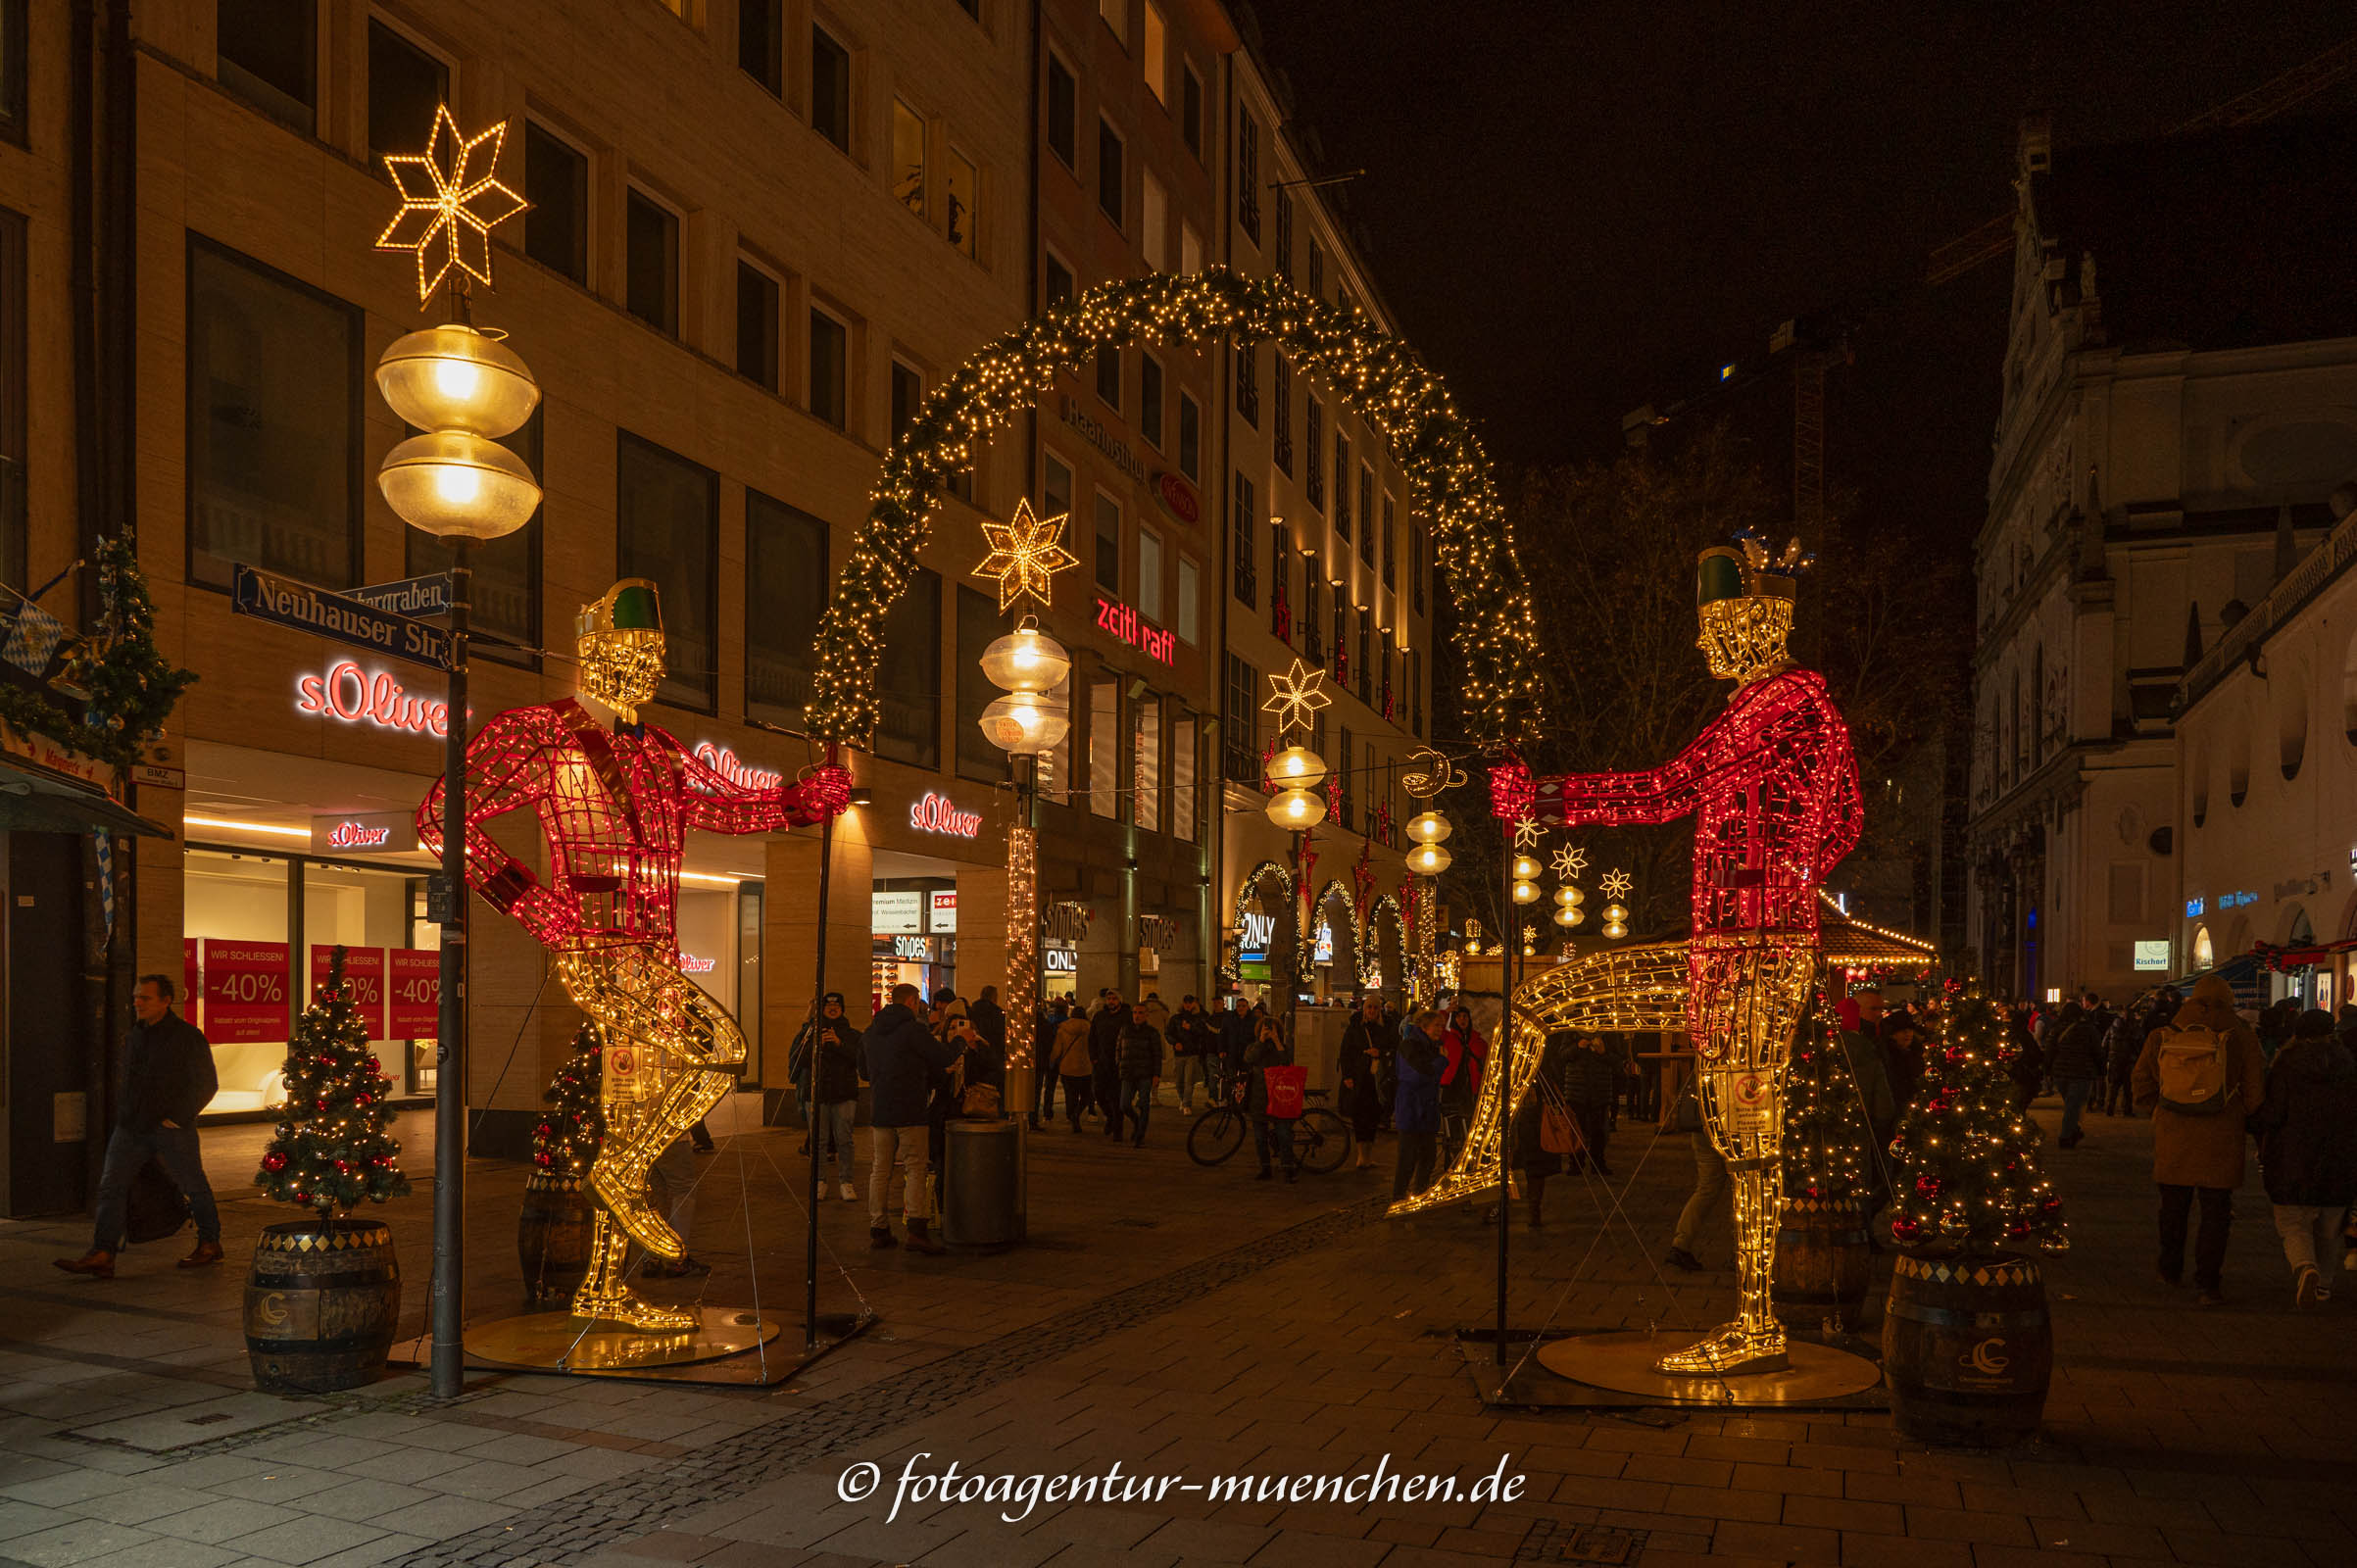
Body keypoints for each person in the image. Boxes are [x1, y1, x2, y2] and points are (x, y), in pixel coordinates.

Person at [56, 975, 222, 1279]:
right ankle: (103, 1252)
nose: (137, 1003)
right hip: (131, 1126)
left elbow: (206, 1083)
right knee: (111, 1186)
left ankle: (210, 1241)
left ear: (165, 1001)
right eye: (136, 996)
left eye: (145, 998)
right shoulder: (135, 1034)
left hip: (170, 1127)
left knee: (192, 1185)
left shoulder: (187, 1037)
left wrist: (180, 1117)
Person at [2132, 974, 2266, 1305]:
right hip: (2222, 1134)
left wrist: (2159, 1111)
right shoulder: (2243, 1037)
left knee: (2173, 1207)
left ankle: (2169, 1269)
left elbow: (2140, 1081)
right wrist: (2235, 1112)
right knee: (2216, 1212)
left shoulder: (2163, 1035)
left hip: (2173, 1133)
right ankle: (2208, 1282)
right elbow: (2256, 1091)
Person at [2250, 1007, 2357, 1306]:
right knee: (2329, 1229)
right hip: (2340, 1159)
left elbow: (2272, 1113)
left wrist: (2251, 1125)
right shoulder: (2348, 1064)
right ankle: (2323, 1285)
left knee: (2293, 1223)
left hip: (2292, 1157)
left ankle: (2304, 1266)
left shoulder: (2286, 1064)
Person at [859, 983, 958, 1254]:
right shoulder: (914, 1031)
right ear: (913, 1001)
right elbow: (942, 1057)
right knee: (915, 1167)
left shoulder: (870, 1032)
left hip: (880, 1109)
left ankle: (878, 1228)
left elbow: (864, 1072)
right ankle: (916, 1230)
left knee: (880, 1169)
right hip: (911, 1109)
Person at [1664, 1073, 1726, 1273]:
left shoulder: (1704, 1051)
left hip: (1703, 1123)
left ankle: (1681, 1244)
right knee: (1743, 1187)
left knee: (1707, 1188)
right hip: (1731, 1121)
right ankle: (1740, 1250)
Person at [807, 993, 861, 1201]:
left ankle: (846, 1182)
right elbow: (801, 1060)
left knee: (844, 1140)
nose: (832, 1008)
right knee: (818, 1142)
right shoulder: (811, 1033)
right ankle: (819, 1181)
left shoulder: (852, 1034)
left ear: (842, 1008)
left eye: (836, 1005)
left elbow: (858, 1059)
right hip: (818, 1095)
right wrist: (816, 1044)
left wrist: (839, 1044)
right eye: (828, 1005)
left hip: (844, 1094)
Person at [1337, 994, 1389, 1172]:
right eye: (1369, 1007)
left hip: (1376, 1079)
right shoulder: (1355, 1028)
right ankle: (1361, 1155)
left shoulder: (1385, 1028)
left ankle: (1369, 1155)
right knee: (1360, 1116)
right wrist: (1347, 1076)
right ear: (1364, 1009)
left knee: (1373, 1116)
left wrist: (1379, 1052)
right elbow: (1345, 1052)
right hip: (1359, 1077)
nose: (1372, 1011)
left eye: (1375, 1008)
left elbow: (1392, 1048)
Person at [1245, 1015, 1299, 1182]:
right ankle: (1265, 1168)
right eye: (1265, 1029)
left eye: (1271, 1029)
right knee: (1260, 1136)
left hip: (1279, 1095)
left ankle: (1287, 1168)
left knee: (1283, 1133)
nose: (1268, 1032)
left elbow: (1287, 1061)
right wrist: (1261, 1041)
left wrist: (1276, 1041)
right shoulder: (1254, 1046)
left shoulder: (1282, 1046)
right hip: (1259, 1096)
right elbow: (1249, 1059)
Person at [2045, 1001, 2104, 1149]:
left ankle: (2073, 1131)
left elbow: (2050, 1051)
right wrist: (2101, 1071)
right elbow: (2098, 1051)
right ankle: (2065, 1137)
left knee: (2071, 1104)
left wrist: (2047, 1070)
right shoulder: (2089, 1029)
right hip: (2082, 1072)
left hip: (2060, 1072)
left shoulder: (2057, 1029)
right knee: (2073, 1106)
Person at [1438, 1005, 1487, 1163]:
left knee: (1470, 1121)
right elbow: (1436, 1024)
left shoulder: (1478, 1041)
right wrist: (1446, 1011)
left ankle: (1469, 1154)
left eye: (1465, 1016)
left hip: (1470, 1087)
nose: (1462, 1020)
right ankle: (1455, 1154)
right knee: (1453, 1123)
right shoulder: (1448, 1037)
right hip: (1451, 1086)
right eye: (1458, 1017)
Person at [1116, 1005, 1163, 1146]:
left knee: (1143, 1104)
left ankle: (1139, 1135)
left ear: (1146, 1015)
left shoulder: (1152, 1032)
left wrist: (1156, 1074)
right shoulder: (1125, 1029)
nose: (1137, 1016)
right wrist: (1119, 1063)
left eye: (1141, 1013)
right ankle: (1137, 1122)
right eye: (1135, 1013)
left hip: (1145, 1074)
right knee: (1124, 1105)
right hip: (1128, 1073)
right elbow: (1118, 1047)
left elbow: (1157, 1054)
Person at [1088, 994, 1129, 1140]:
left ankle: (1118, 1130)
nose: (1111, 1001)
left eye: (1114, 999)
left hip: (1119, 1063)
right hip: (1101, 1062)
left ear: (1120, 1001)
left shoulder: (1126, 1016)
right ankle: (1110, 1116)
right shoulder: (1100, 1016)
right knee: (1098, 1092)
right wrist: (1093, 1057)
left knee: (1117, 1098)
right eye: (1109, 999)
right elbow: (1092, 1037)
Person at [1166, 996, 1215, 1112]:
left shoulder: (1198, 1019)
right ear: (1183, 1004)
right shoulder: (1175, 1018)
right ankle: (1183, 1100)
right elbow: (1168, 1033)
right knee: (1179, 1081)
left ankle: (1186, 1104)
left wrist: (1191, 1028)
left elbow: (1203, 1033)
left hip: (1193, 1053)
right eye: (1186, 1002)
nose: (1188, 1005)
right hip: (1179, 1054)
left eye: (1190, 1002)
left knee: (1189, 1080)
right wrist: (1175, 1042)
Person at [1052, 1004, 1095, 1131]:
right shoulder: (1090, 1028)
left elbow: (1057, 1049)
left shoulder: (1063, 1029)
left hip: (1067, 1067)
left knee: (1071, 1095)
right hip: (1085, 1067)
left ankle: (1071, 1116)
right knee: (1086, 1095)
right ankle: (1077, 1113)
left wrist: (1052, 1061)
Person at [1030, 999, 1066, 1128]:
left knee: (1035, 1090)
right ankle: (1046, 1113)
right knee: (1047, 1088)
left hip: (1033, 1061)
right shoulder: (1050, 1025)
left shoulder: (1031, 1025)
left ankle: (1031, 1117)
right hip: (1046, 1059)